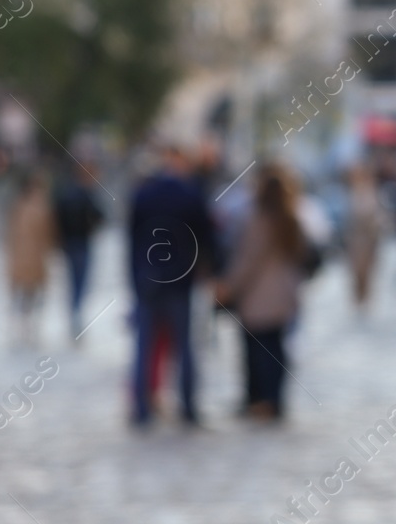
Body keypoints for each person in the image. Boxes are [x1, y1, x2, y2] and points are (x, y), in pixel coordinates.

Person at [128, 145, 218, 426]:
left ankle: (142, 408)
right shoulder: (190, 195)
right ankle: (188, 407)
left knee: (144, 346)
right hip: (180, 281)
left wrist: (134, 279)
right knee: (184, 347)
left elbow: (131, 242)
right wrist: (209, 271)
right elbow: (206, 239)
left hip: (148, 280)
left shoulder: (144, 194)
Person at [217, 167, 308, 420]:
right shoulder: (291, 218)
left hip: (259, 296)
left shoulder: (258, 219)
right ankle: (274, 400)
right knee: (277, 349)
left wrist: (229, 286)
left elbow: (248, 260)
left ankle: (261, 401)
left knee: (258, 351)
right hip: (284, 294)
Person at [52, 161, 105, 341]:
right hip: (81, 243)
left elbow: (55, 217)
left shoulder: (64, 192)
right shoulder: (85, 193)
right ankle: (76, 315)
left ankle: (74, 315)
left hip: (69, 244)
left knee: (73, 282)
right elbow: (100, 216)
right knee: (80, 282)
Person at [5, 171, 56, 347]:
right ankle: (26, 326)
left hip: (26, 258)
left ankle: (25, 326)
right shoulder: (39, 207)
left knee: (26, 294)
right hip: (31, 258)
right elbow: (49, 234)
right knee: (29, 294)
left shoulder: (19, 205)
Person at [345, 163, 387, 311]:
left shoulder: (373, 192)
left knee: (368, 269)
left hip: (369, 237)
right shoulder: (352, 192)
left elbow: (378, 216)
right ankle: (358, 298)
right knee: (356, 270)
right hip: (356, 237)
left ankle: (365, 298)